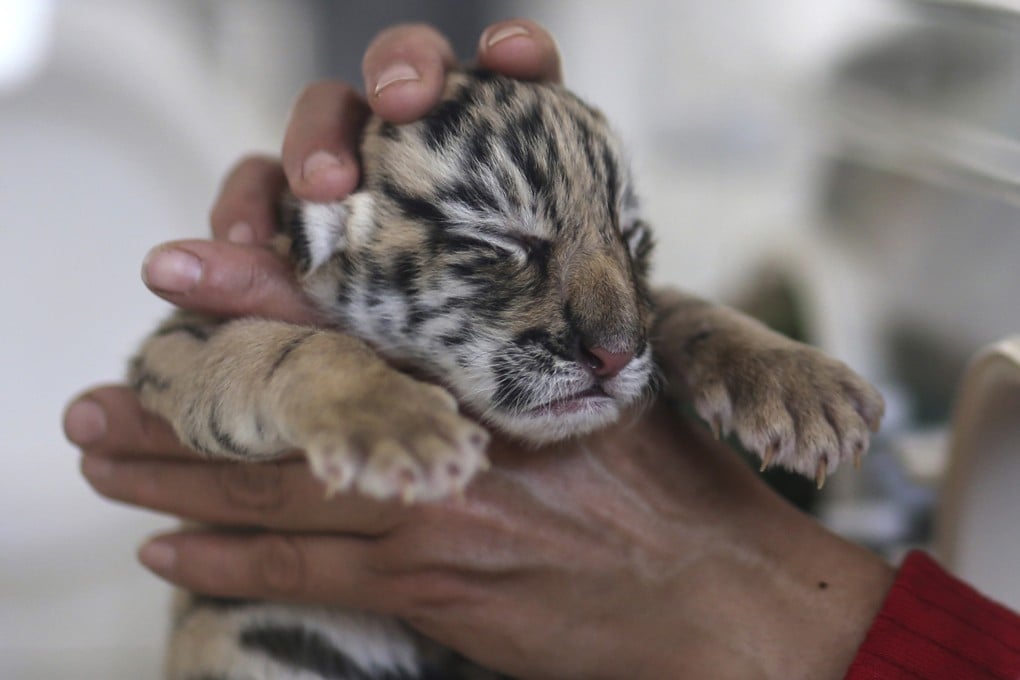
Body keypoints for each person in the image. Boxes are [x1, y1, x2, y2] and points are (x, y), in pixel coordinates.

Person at [63, 20, 1020, 679]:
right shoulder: (300, 298)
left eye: (630, 246)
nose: (614, 341)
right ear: (324, 236)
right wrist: (338, 389)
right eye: (502, 247)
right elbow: (184, 375)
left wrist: (716, 343)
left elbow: (631, 313)